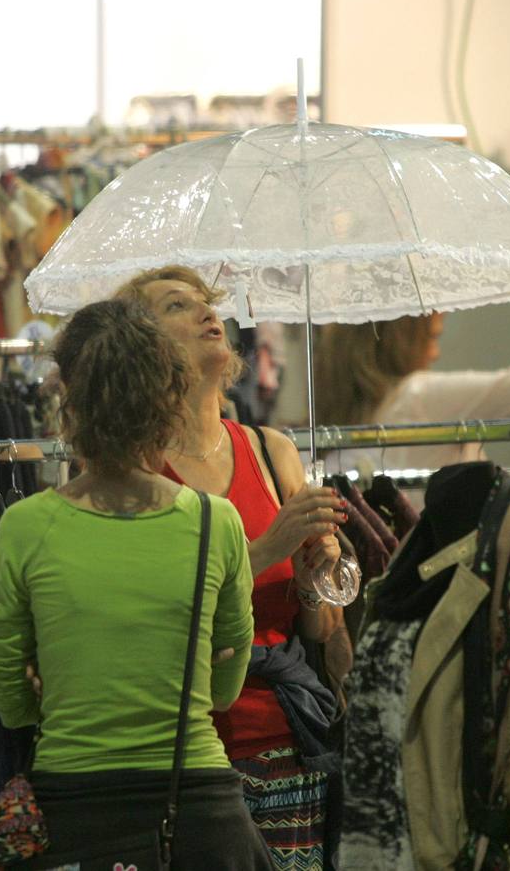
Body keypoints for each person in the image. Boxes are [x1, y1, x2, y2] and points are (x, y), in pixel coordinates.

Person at [0, 299, 274, 870]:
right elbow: (224, 688)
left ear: (70, 400)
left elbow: (10, 700)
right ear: (168, 397)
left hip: (75, 813)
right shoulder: (216, 523)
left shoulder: (25, 527)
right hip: (200, 813)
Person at [117, 266, 346, 871]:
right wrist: (268, 547)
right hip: (181, 759)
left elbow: (319, 633)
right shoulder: (130, 470)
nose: (205, 315)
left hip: (287, 750)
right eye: (176, 306)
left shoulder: (272, 451)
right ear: (142, 346)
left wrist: (311, 578)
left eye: (207, 303)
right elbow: (149, 610)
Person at [315, 312, 510, 473]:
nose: (435, 352)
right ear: (401, 341)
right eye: (432, 337)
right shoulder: (418, 397)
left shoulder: (346, 413)